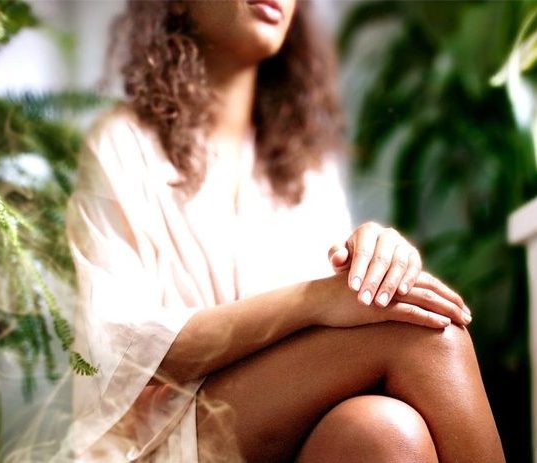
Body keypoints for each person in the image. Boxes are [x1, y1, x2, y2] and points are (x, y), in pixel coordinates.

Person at [66, 1, 505, 461]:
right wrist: (315, 301)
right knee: (428, 335)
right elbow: (125, 349)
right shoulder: (121, 143)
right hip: (157, 439)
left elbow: (343, 313)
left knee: (385, 432)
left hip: (286, 431)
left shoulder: (304, 168)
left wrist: (375, 268)